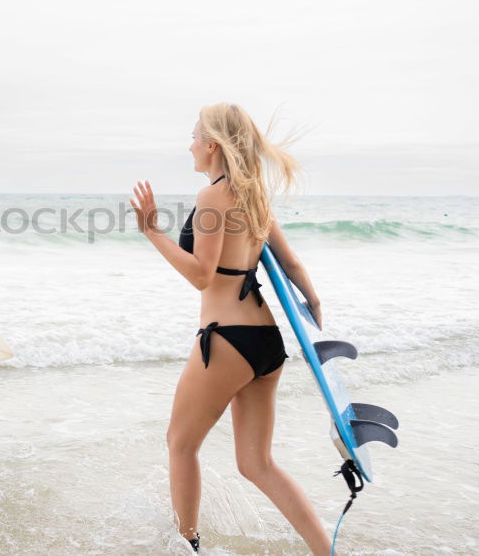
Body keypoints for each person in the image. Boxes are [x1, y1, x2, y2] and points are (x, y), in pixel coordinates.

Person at [129, 103, 330, 554]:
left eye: (194, 136)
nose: (190, 144)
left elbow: (202, 274)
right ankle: (327, 550)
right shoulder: (254, 192)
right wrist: (313, 301)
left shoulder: (213, 196)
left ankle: (187, 546)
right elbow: (291, 262)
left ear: (212, 145)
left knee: (179, 444)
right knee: (257, 463)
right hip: (266, 343)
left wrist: (152, 231)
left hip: (226, 341)